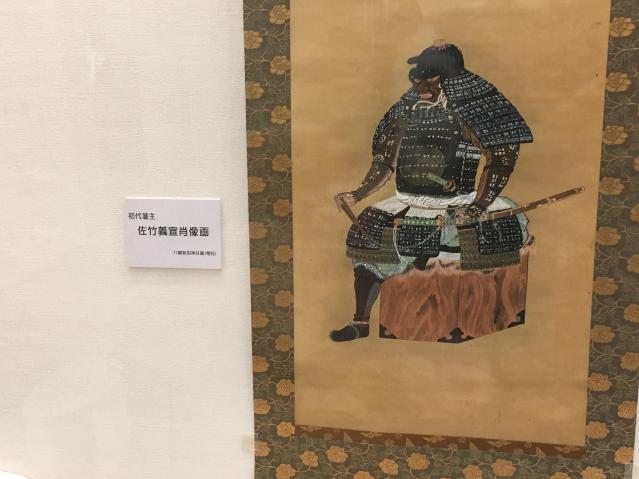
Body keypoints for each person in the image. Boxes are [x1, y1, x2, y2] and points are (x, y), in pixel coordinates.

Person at [331, 41, 533, 342]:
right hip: (406, 199)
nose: (422, 85)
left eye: (432, 78)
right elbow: (384, 161)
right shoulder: (405, 109)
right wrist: (357, 194)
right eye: (418, 78)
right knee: (367, 233)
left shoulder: (473, 109)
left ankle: (455, 322)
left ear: (452, 79)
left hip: (458, 202)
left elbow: (501, 159)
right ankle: (361, 322)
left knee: (452, 239)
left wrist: (479, 205)